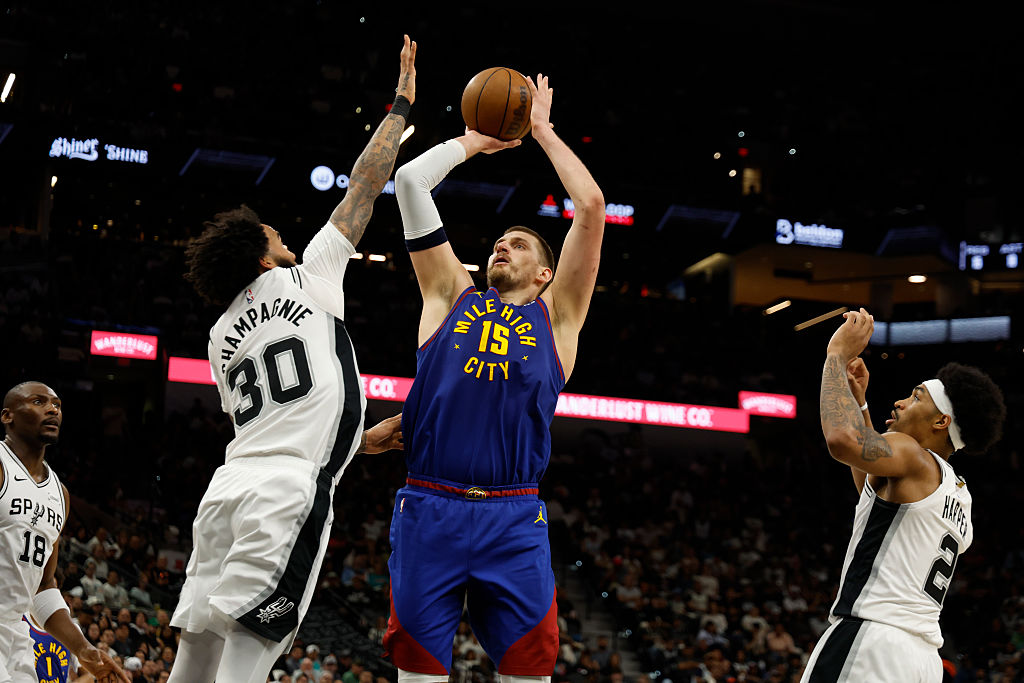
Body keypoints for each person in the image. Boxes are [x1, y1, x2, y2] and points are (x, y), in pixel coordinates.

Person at [166, 34, 416, 683]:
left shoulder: (222, 337)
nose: (287, 238)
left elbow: (285, 417)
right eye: (277, 235)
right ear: (262, 254)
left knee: (194, 654)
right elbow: (366, 181)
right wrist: (400, 107)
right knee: (250, 654)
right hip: (285, 496)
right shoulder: (309, 276)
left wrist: (359, 439)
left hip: (227, 492)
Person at [384, 74, 605, 681]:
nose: (502, 247)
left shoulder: (558, 317)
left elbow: (590, 208)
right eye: (499, 242)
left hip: (513, 518)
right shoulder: (448, 291)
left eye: (520, 245)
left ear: (545, 275)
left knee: (528, 673)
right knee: (419, 673)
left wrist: (543, 133)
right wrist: (473, 143)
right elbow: (409, 181)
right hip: (430, 506)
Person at [803, 308, 1006, 682]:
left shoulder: (913, 455)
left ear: (941, 421)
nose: (899, 402)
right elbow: (874, 493)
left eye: (915, 397)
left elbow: (841, 440)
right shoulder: (957, 492)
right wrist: (859, 403)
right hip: (922, 660)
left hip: (872, 639)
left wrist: (835, 355)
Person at [0, 381, 129, 682]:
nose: (52, 410)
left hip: (15, 632)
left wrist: (83, 649)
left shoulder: (60, 494)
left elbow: (44, 588)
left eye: (56, 405)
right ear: (8, 416)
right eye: (38, 402)